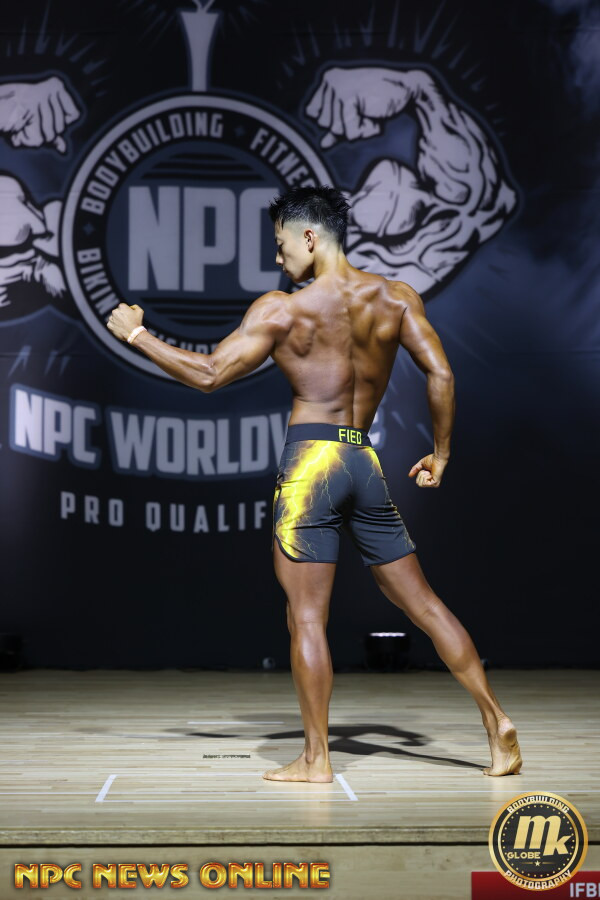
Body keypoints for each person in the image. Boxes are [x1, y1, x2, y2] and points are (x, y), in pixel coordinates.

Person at [107, 185, 522, 782]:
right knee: (425, 604)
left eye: (281, 246)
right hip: (362, 460)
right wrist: (441, 453)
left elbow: (210, 374)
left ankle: (316, 759)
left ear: (309, 236)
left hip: (310, 466)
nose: (278, 259)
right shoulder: (396, 297)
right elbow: (441, 373)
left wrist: (136, 335)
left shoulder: (283, 309)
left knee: (305, 618)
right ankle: (496, 722)